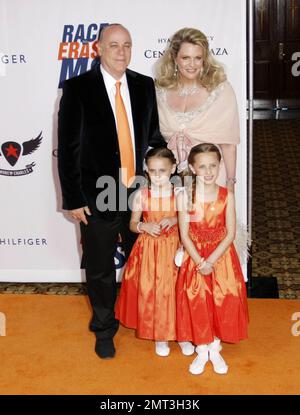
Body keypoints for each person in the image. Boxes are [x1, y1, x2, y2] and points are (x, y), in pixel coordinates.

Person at [57, 24, 165, 359]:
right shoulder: (77, 89)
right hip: (95, 197)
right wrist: (73, 199)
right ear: (99, 48)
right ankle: (104, 328)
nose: (121, 52)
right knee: (101, 269)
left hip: (137, 195)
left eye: (127, 45)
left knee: (144, 263)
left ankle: (148, 321)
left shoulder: (145, 86)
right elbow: (68, 147)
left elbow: (153, 139)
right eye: (114, 45)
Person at [176, 143, 248, 375]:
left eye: (213, 166)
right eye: (203, 166)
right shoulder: (185, 197)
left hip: (221, 258)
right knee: (197, 301)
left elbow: (230, 233)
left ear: (220, 166)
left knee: (221, 301)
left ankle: (214, 347)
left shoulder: (227, 196)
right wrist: (199, 262)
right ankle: (202, 349)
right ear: (192, 168)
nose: (208, 171)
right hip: (195, 257)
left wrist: (211, 261)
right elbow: (184, 234)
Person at [115, 147, 194, 357]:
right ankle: (160, 335)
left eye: (162, 170)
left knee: (178, 291)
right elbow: (132, 223)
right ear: (147, 171)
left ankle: (183, 334)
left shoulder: (180, 193)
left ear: (173, 169)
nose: (157, 176)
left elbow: (191, 219)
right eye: (152, 171)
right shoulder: (142, 195)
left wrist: (174, 219)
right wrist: (144, 227)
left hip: (176, 247)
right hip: (149, 250)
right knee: (155, 292)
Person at [155, 27, 239, 191]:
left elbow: (229, 145)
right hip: (172, 178)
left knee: (209, 217)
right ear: (174, 58)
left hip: (211, 177)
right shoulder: (159, 91)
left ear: (205, 59)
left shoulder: (220, 90)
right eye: (185, 58)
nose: (192, 64)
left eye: (198, 58)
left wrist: (230, 184)